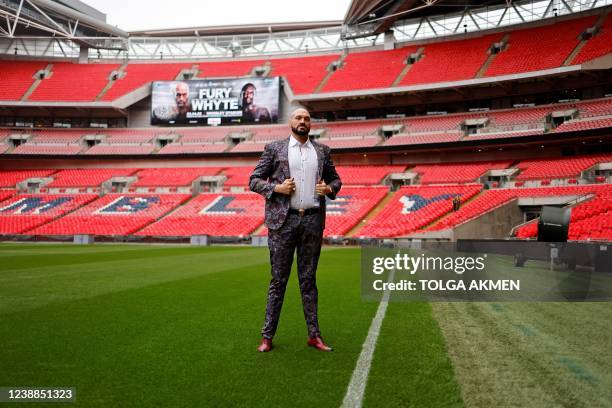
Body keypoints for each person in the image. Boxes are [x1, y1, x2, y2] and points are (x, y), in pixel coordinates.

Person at [249, 107, 342, 352]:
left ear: (311, 124)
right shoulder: (274, 148)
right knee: (278, 281)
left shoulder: (322, 151)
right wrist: (277, 189)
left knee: (308, 280)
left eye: (307, 118)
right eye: (298, 117)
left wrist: (329, 189)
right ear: (291, 122)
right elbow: (254, 180)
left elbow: (336, 181)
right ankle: (267, 337)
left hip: (312, 221)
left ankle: (314, 335)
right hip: (283, 222)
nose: (303, 121)